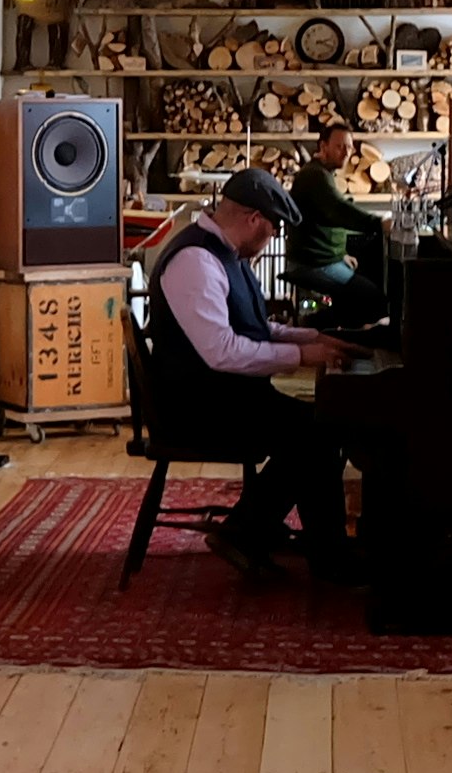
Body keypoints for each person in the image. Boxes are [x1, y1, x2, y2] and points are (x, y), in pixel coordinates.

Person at [149, 169, 376, 573]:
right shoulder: (196, 260)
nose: (270, 238)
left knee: (321, 427)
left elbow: (254, 327)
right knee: (317, 434)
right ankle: (311, 550)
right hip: (196, 407)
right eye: (272, 230)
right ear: (254, 218)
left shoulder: (224, 254)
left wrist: (312, 338)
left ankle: (271, 534)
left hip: (225, 395)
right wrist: (304, 358)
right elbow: (221, 352)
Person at [288, 127, 396, 332]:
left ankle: (329, 332)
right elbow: (338, 210)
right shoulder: (314, 176)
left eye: (349, 147)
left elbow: (323, 220)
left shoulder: (321, 173)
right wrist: (378, 223)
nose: (346, 153)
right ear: (323, 146)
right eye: (339, 147)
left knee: (361, 293)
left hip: (322, 258)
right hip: (311, 263)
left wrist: (340, 255)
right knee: (372, 299)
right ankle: (305, 327)